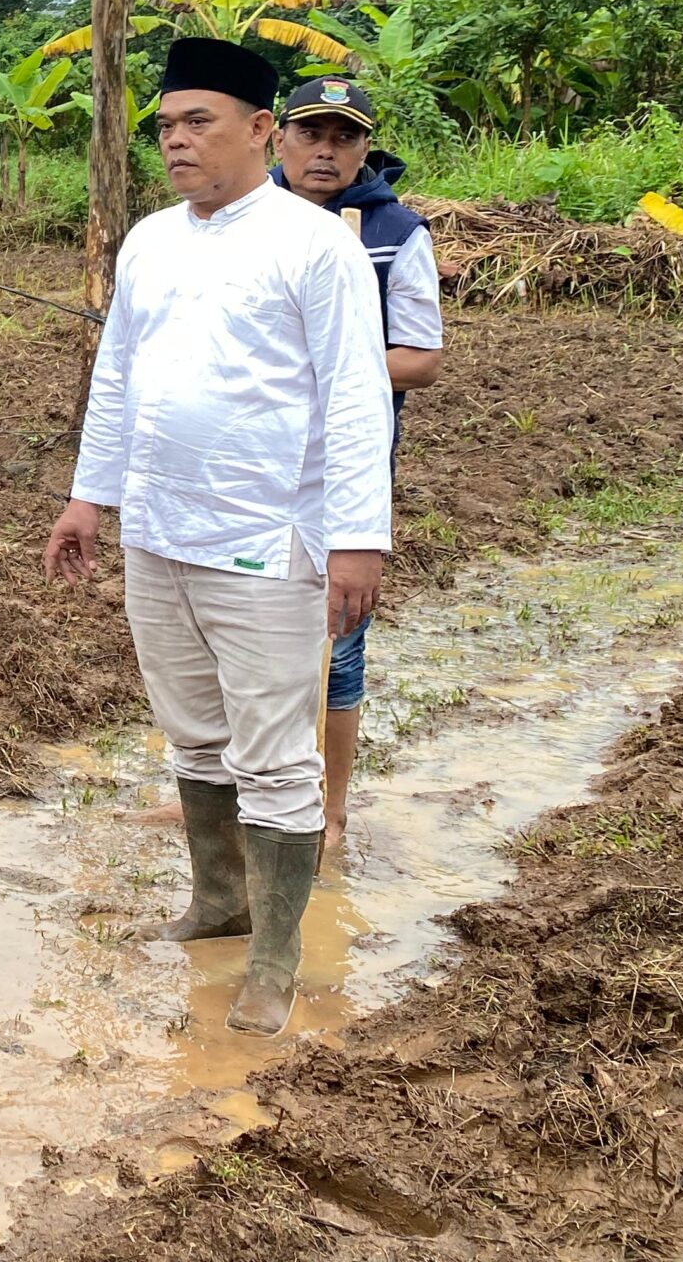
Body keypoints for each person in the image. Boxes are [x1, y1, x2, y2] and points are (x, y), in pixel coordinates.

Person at [44, 37, 393, 1037]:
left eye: (198, 123)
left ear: (258, 131)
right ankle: (218, 900)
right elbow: (115, 379)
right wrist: (88, 499)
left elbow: (358, 400)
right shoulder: (149, 240)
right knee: (192, 729)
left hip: (266, 538)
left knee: (277, 755)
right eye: (164, 127)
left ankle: (275, 958)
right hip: (158, 530)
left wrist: (356, 538)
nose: (176, 142)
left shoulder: (312, 243)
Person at [270, 75, 445, 857]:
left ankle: (330, 812)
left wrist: (328, 366)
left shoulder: (394, 232)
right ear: (278, 138)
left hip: (341, 468)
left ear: (365, 148)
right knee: (238, 635)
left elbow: (420, 357)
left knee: (335, 641)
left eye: (343, 137)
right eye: (312, 133)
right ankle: (230, 794)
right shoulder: (241, 219)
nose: (325, 150)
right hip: (245, 470)